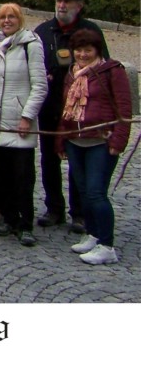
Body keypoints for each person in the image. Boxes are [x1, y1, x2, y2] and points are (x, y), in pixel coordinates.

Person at [34, 0, 109, 232]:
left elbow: (105, 69)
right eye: (59, 0)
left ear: (80, 5)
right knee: (48, 160)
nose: (62, 6)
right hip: (49, 106)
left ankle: (79, 212)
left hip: (80, 109)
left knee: (78, 160)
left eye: (67, 2)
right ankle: (54, 208)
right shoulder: (43, 31)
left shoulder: (91, 32)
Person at [57, 28, 131, 265]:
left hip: (101, 141)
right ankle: (93, 234)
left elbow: (124, 108)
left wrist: (118, 141)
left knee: (97, 192)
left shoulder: (112, 71)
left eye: (88, 50)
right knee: (83, 190)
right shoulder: (72, 74)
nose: (82, 54)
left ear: (97, 50)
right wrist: (61, 139)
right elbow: (66, 110)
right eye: (78, 50)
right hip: (76, 141)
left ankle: (107, 245)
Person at [0, 3, 47, 246]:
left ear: (19, 19)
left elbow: (40, 86)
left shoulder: (31, 44)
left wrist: (27, 116)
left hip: (19, 121)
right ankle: (9, 219)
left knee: (22, 176)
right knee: (1, 175)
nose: (6, 21)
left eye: (11, 17)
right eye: (2, 17)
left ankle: (25, 223)